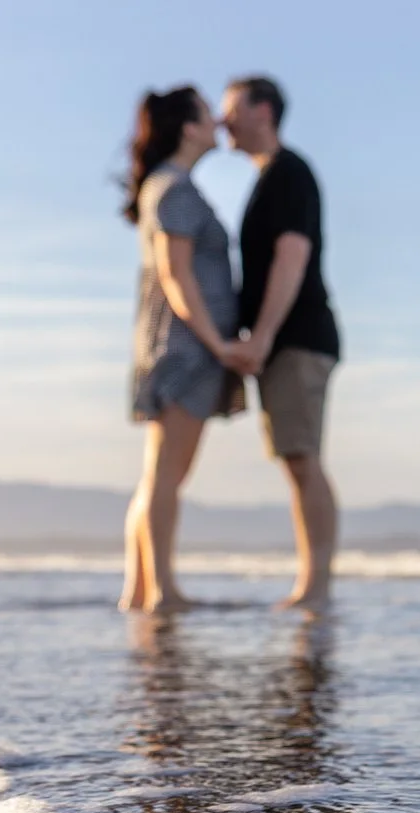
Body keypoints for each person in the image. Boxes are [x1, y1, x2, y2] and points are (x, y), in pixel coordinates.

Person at [121, 85, 247, 614]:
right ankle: (161, 591)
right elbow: (176, 275)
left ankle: (140, 589)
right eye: (206, 114)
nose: (218, 121)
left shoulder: (169, 185)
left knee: (159, 475)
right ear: (187, 127)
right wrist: (218, 342)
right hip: (185, 349)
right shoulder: (174, 188)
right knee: (167, 475)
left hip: (178, 346)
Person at [220, 75, 342, 612]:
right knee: (296, 459)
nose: (225, 121)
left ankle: (315, 586)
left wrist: (263, 336)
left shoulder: (288, 172)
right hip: (285, 341)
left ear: (263, 111)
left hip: (297, 339)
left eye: (232, 110)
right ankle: (313, 583)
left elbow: (292, 257)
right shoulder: (269, 176)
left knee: (301, 457)